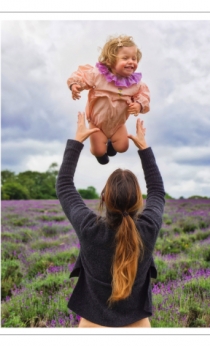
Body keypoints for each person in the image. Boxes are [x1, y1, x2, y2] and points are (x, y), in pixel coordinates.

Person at [56, 112, 164, 327]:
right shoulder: (148, 228)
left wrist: (77, 141)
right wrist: (144, 148)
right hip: (138, 326)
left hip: (92, 326)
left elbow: (64, 185)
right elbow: (158, 191)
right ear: (139, 199)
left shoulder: (90, 229)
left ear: (104, 198)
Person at [67, 35, 151, 165]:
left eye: (134, 58)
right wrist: (75, 85)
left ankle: (111, 144)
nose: (131, 61)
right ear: (110, 61)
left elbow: (144, 95)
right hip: (97, 124)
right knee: (99, 151)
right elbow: (82, 76)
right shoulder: (98, 75)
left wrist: (139, 105)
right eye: (125, 58)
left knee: (123, 147)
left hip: (118, 124)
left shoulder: (135, 84)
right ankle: (101, 153)